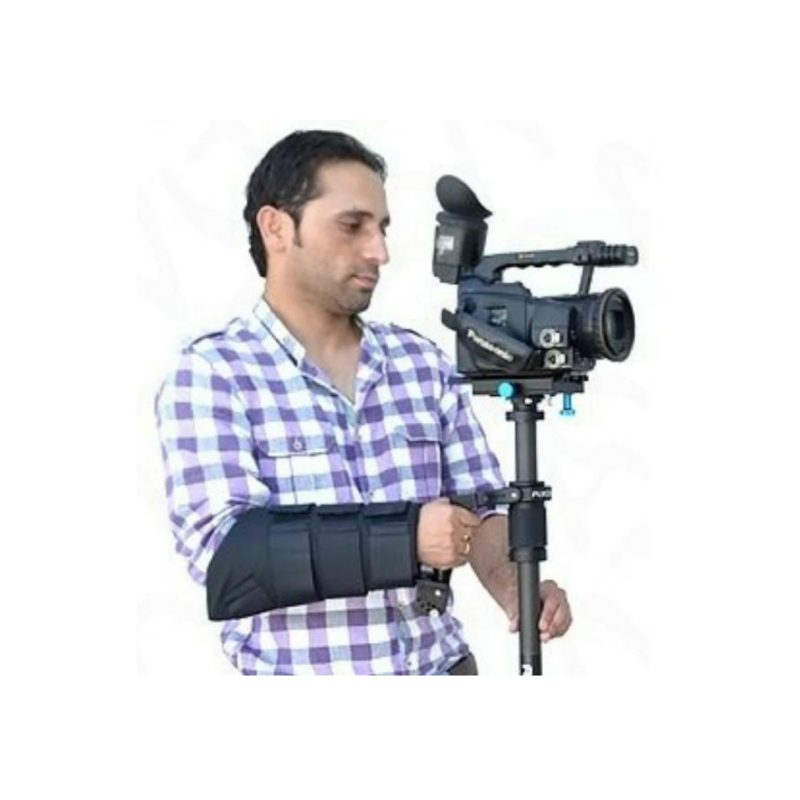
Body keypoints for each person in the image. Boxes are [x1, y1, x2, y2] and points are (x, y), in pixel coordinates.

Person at [154, 130, 572, 675]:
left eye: (382, 228)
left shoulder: (420, 362)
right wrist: (404, 538)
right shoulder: (213, 373)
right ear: (276, 227)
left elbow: (481, 506)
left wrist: (514, 587)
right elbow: (225, 558)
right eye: (352, 226)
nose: (380, 252)